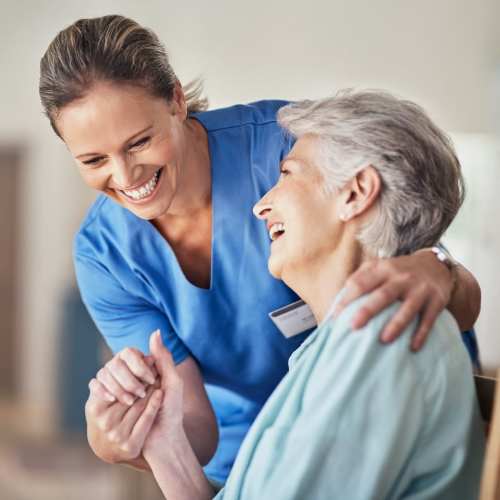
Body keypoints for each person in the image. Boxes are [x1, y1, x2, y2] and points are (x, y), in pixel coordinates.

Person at [39, 15, 482, 484]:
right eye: (93, 160)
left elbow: (418, 240)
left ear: (175, 99)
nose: (126, 177)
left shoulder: (292, 149)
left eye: (140, 142)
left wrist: (438, 268)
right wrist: (133, 434)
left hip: (376, 408)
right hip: (256, 457)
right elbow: (187, 420)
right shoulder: (105, 253)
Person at [139, 90, 486, 500]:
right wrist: (166, 446)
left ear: (356, 193)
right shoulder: (337, 343)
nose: (260, 206)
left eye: (287, 174)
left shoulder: (380, 337)